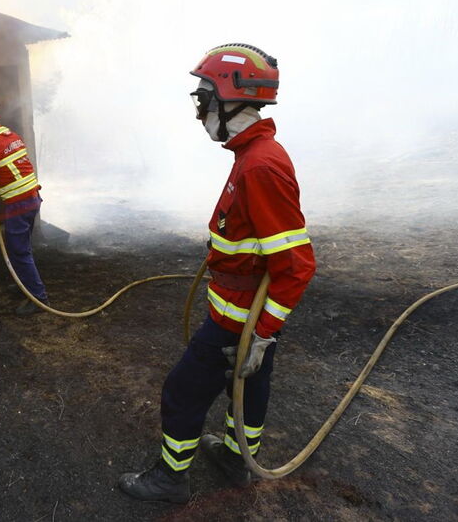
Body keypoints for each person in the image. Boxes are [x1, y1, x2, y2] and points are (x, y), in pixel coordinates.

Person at [118, 43, 317, 503]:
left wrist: (262, 335)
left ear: (231, 99)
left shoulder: (260, 166)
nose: (199, 111)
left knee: (181, 392)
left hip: (238, 323)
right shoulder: (253, 157)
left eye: (204, 99)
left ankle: (170, 478)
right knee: (247, 387)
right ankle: (234, 458)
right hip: (246, 319)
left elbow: (296, 264)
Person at [0, 96, 49, 315]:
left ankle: (38, 299)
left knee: (19, 252)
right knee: (21, 249)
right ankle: (25, 284)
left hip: (19, 205)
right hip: (32, 199)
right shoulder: (9, 135)